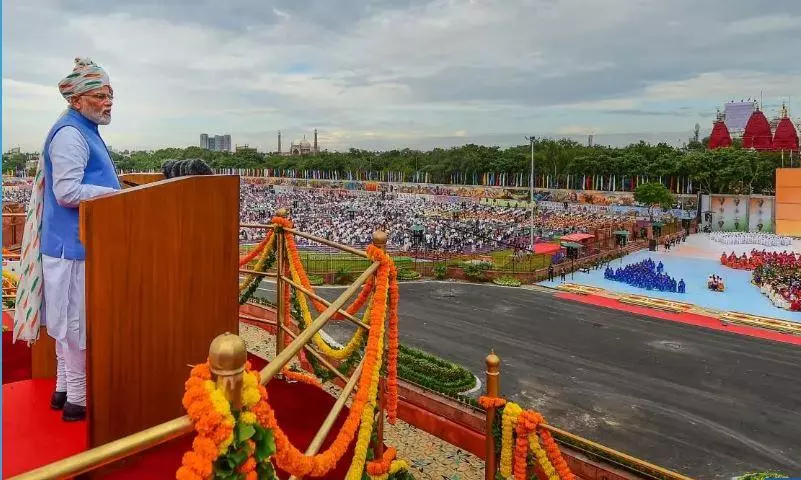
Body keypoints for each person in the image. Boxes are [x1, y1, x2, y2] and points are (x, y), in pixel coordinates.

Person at [40, 58, 120, 421]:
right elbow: (67, 191)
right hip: (71, 247)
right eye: (99, 96)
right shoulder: (71, 134)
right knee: (73, 326)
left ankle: (63, 389)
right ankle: (77, 399)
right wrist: (118, 196)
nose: (108, 102)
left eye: (110, 94)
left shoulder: (83, 129)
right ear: (76, 100)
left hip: (74, 245)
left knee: (66, 323)